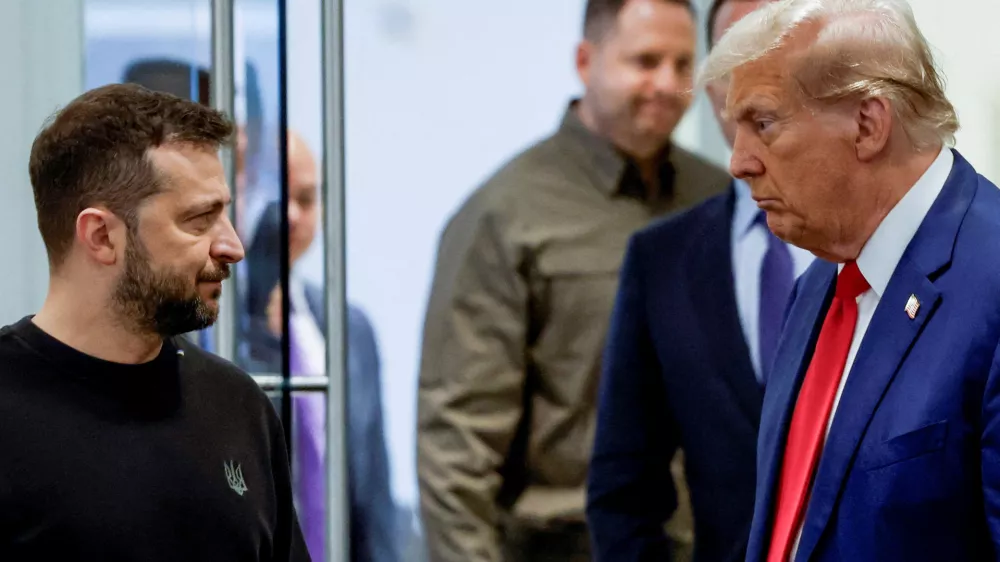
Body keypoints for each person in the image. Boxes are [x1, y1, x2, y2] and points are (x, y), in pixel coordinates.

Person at [416, 1, 731, 561]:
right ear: (586, 61)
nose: (667, 83)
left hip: (708, 541)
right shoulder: (506, 215)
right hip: (562, 544)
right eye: (645, 60)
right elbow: (457, 442)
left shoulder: (720, 201)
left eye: (684, 65)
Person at [698, 0, 1000, 560]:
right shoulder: (821, 283)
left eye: (762, 123)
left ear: (868, 123)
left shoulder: (992, 282)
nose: (738, 162)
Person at [0, 83, 309, 561]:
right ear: (101, 236)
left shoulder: (238, 407)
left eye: (224, 213)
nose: (232, 247)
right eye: (199, 220)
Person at [586, 1, 813, 560]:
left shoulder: (877, 242)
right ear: (711, 86)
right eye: (735, 54)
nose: (757, 73)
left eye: (779, 49)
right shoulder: (661, 258)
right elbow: (624, 490)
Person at [243, 132, 399, 562]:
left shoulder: (350, 329)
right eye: (277, 199)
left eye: (307, 199)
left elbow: (374, 498)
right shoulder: (210, 330)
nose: (292, 216)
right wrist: (257, 321)